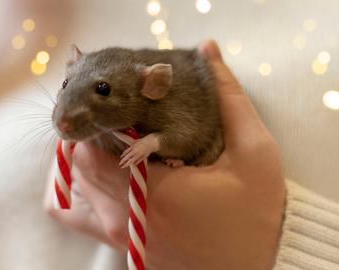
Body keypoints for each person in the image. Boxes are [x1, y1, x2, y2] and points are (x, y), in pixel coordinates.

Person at [44, 40, 339, 270]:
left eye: (103, 89)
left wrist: (261, 252)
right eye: (67, 83)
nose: (63, 120)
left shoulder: (167, 100)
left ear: (153, 85)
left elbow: (189, 135)